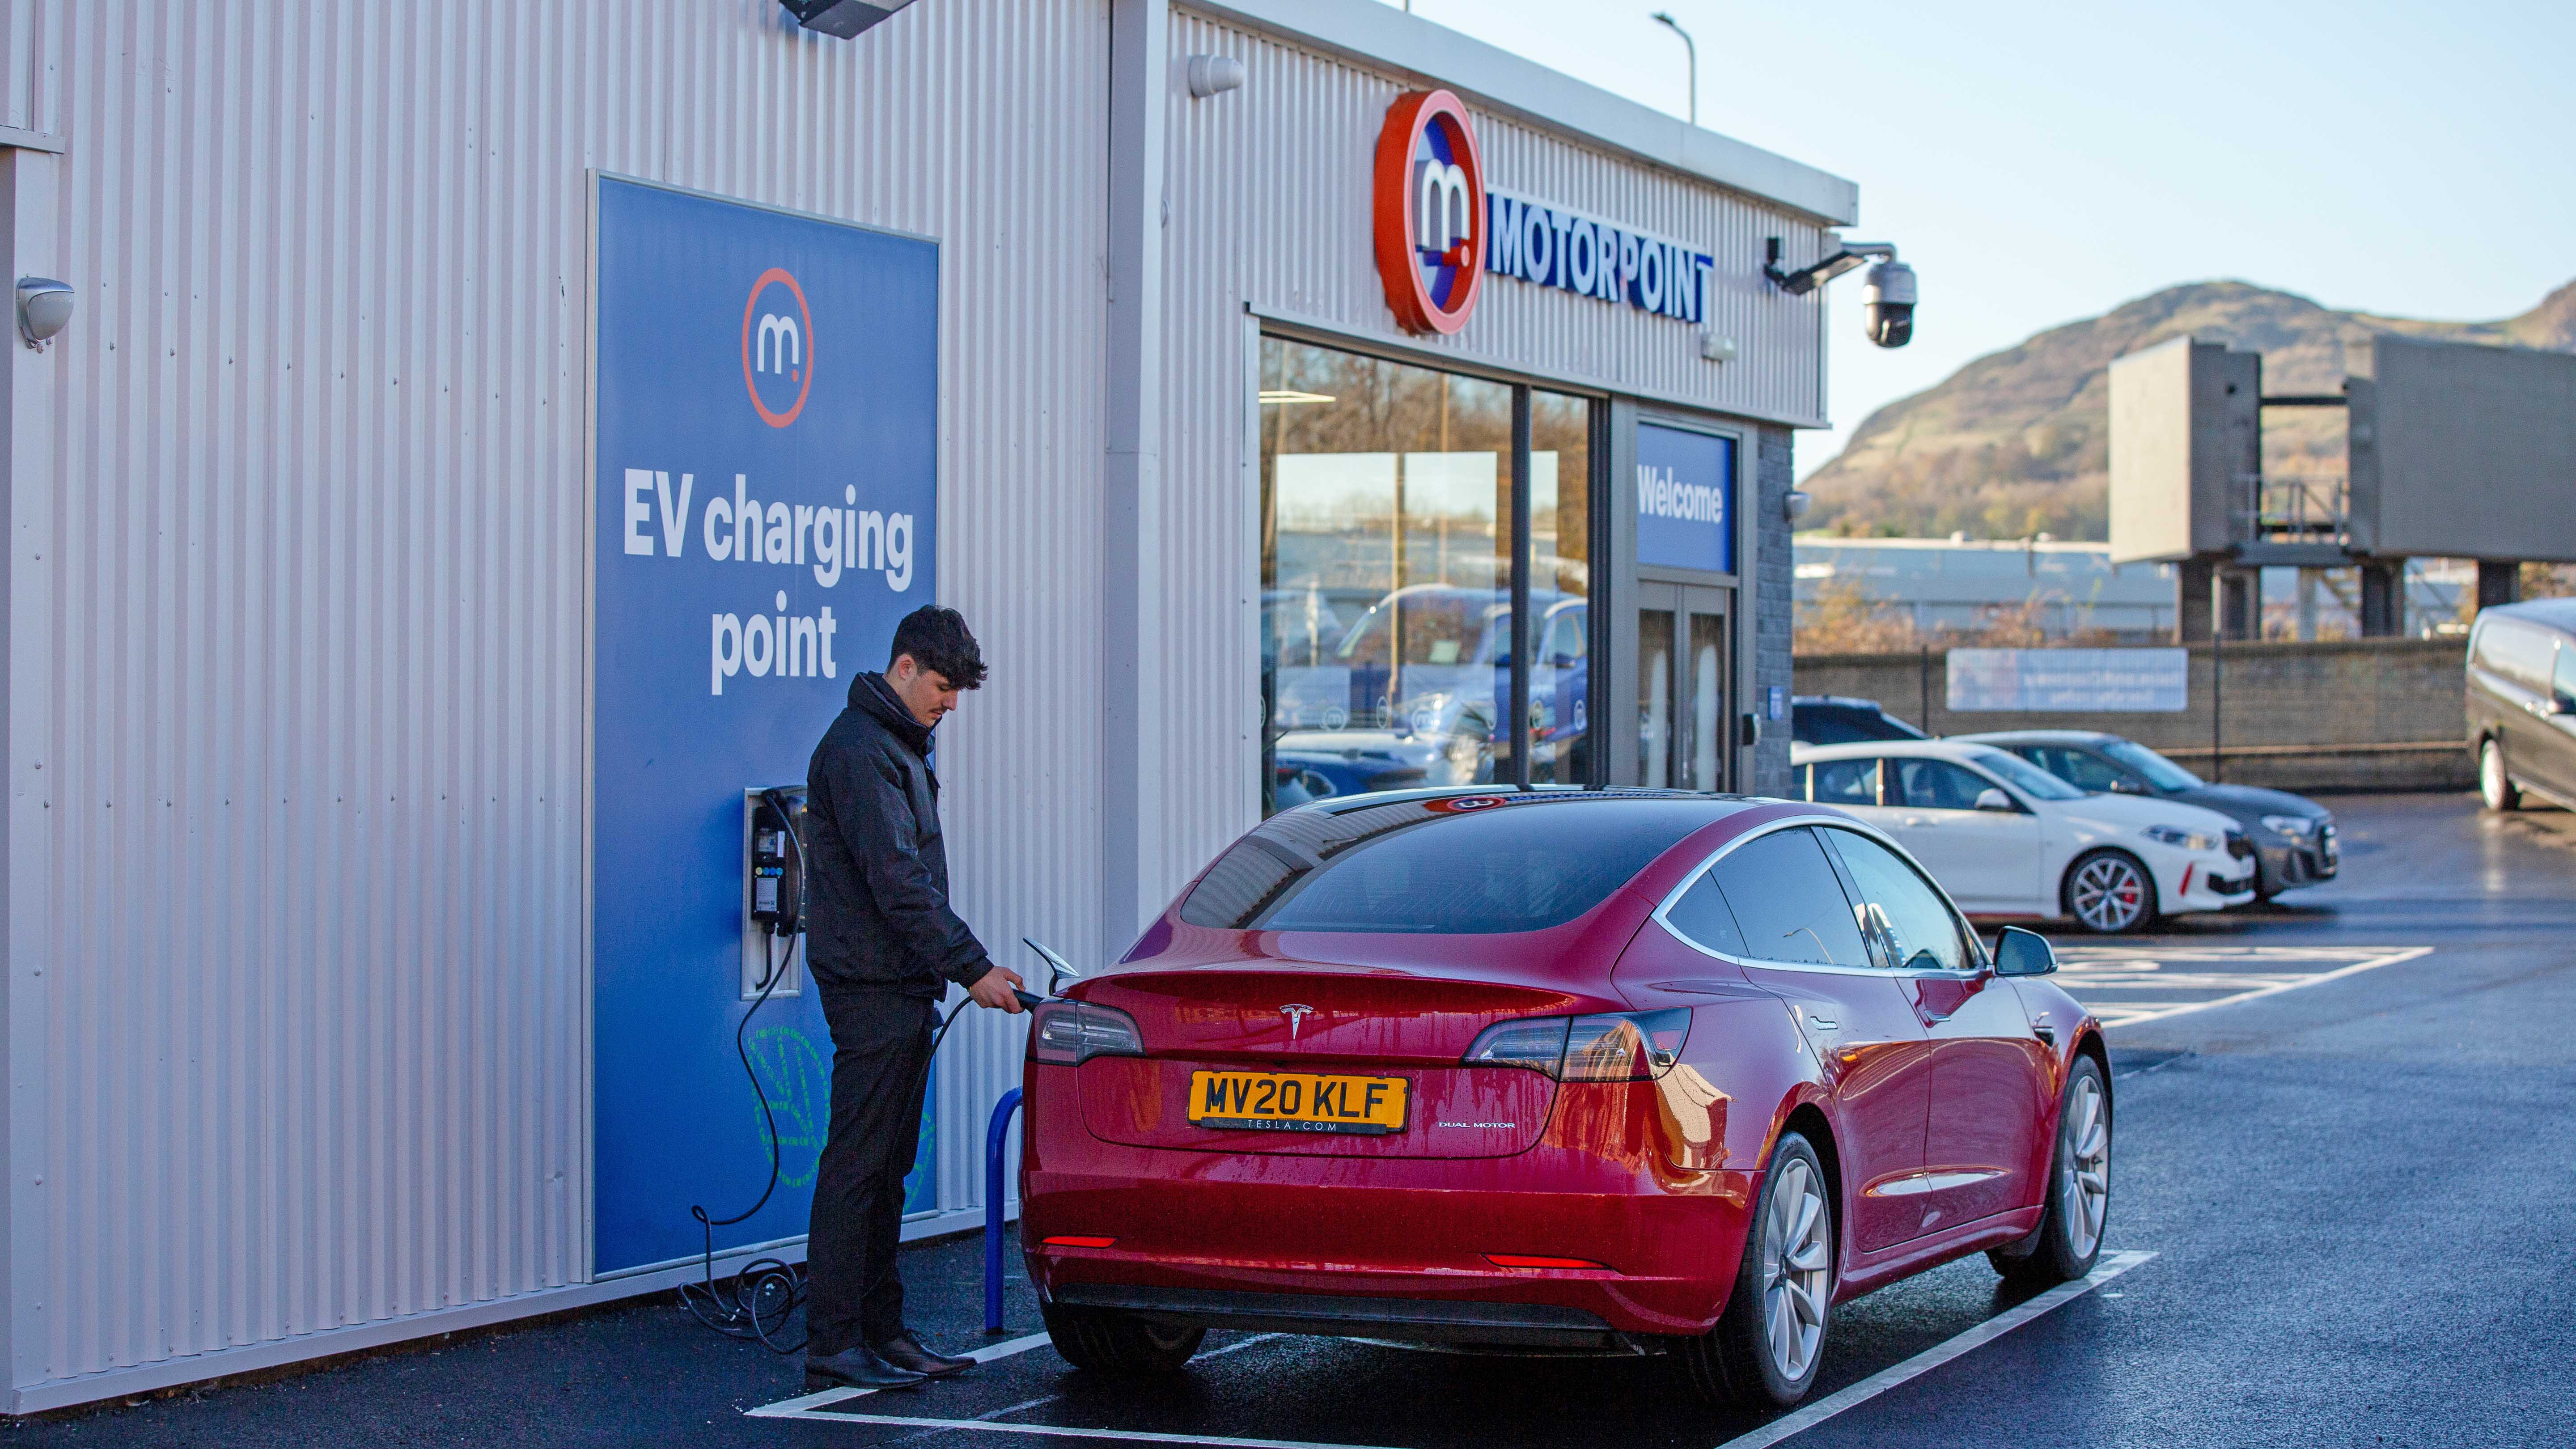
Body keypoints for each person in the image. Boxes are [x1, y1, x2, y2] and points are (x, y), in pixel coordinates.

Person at [800, 605, 1024, 1391]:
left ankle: (882, 1333)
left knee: (886, 1166)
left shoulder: (893, 746)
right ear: (904, 668)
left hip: (897, 984)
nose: (952, 703)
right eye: (943, 685)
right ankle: (834, 1341)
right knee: (859, 1165)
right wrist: (974, 969)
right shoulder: (862, 754)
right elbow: (899, 883)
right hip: (871, 986)